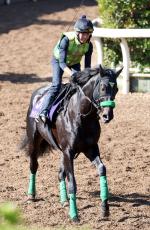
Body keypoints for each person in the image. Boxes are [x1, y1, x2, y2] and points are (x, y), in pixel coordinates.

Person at [39, 15, 94, 123]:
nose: (84, 36)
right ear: (77, 33)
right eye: (82, 33)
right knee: (56, 85)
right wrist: (72, 74)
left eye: (87, 34)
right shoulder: (66, 40)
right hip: (58, 61)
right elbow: (62, 63)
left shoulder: (89, 46)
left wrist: (86, 77)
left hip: (74, 63)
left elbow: (87, 67)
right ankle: (43, 111)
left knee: (80, 84)